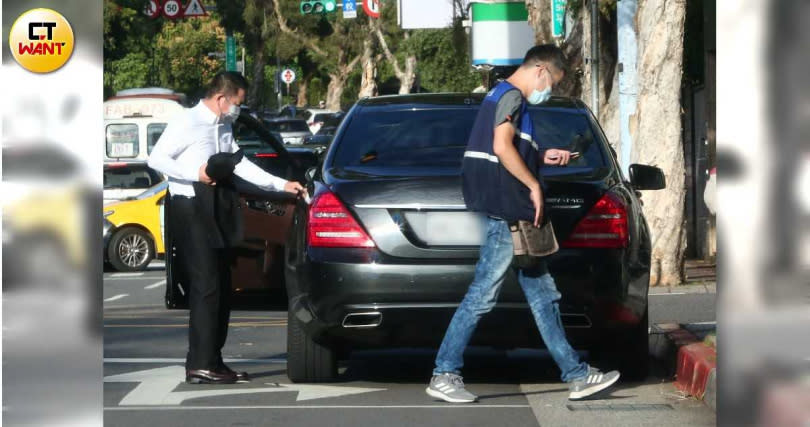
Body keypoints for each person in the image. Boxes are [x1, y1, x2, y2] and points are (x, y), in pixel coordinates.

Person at [426, 45, 620, 403]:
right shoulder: (513, 97)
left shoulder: (502, 96)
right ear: (541, 71)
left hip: (508, 210)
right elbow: (502, 146)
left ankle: (576, 375)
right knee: (482, 297)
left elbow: (510, 145)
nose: (550, 91)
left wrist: (541, 156)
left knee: (543, 296)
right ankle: (444, 372)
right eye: (554, 83)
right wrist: (533, 185)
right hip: (509, 211)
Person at [148, 72, 307, 384]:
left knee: (222, 284)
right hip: (191, 204)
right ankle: (199, 363)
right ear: (222, 98)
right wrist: (195, 173)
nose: (238, 108)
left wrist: (281, 184)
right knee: (205, 285)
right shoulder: (187, 121)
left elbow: (240, 164)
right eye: (237, 102)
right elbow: (156, 158)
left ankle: (214, 359)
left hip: (218, 202)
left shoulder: (223, 124)